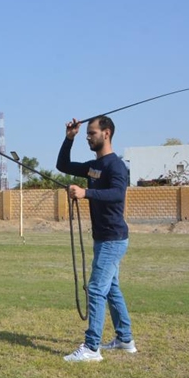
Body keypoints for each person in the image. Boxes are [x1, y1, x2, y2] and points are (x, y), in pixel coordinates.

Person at [56, 115, 136, 362]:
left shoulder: (116, 166)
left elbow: (117, 194)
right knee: (111, 289)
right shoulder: (94, 166)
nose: (88, 137)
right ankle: (125, 339)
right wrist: (70, 138)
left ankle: (92, 349)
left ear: (107, 133)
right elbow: (63, 165)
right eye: (87, 134)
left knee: (96, 290)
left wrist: (85, 192)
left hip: (113, 238)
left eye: (92, 133)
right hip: (103, 237)